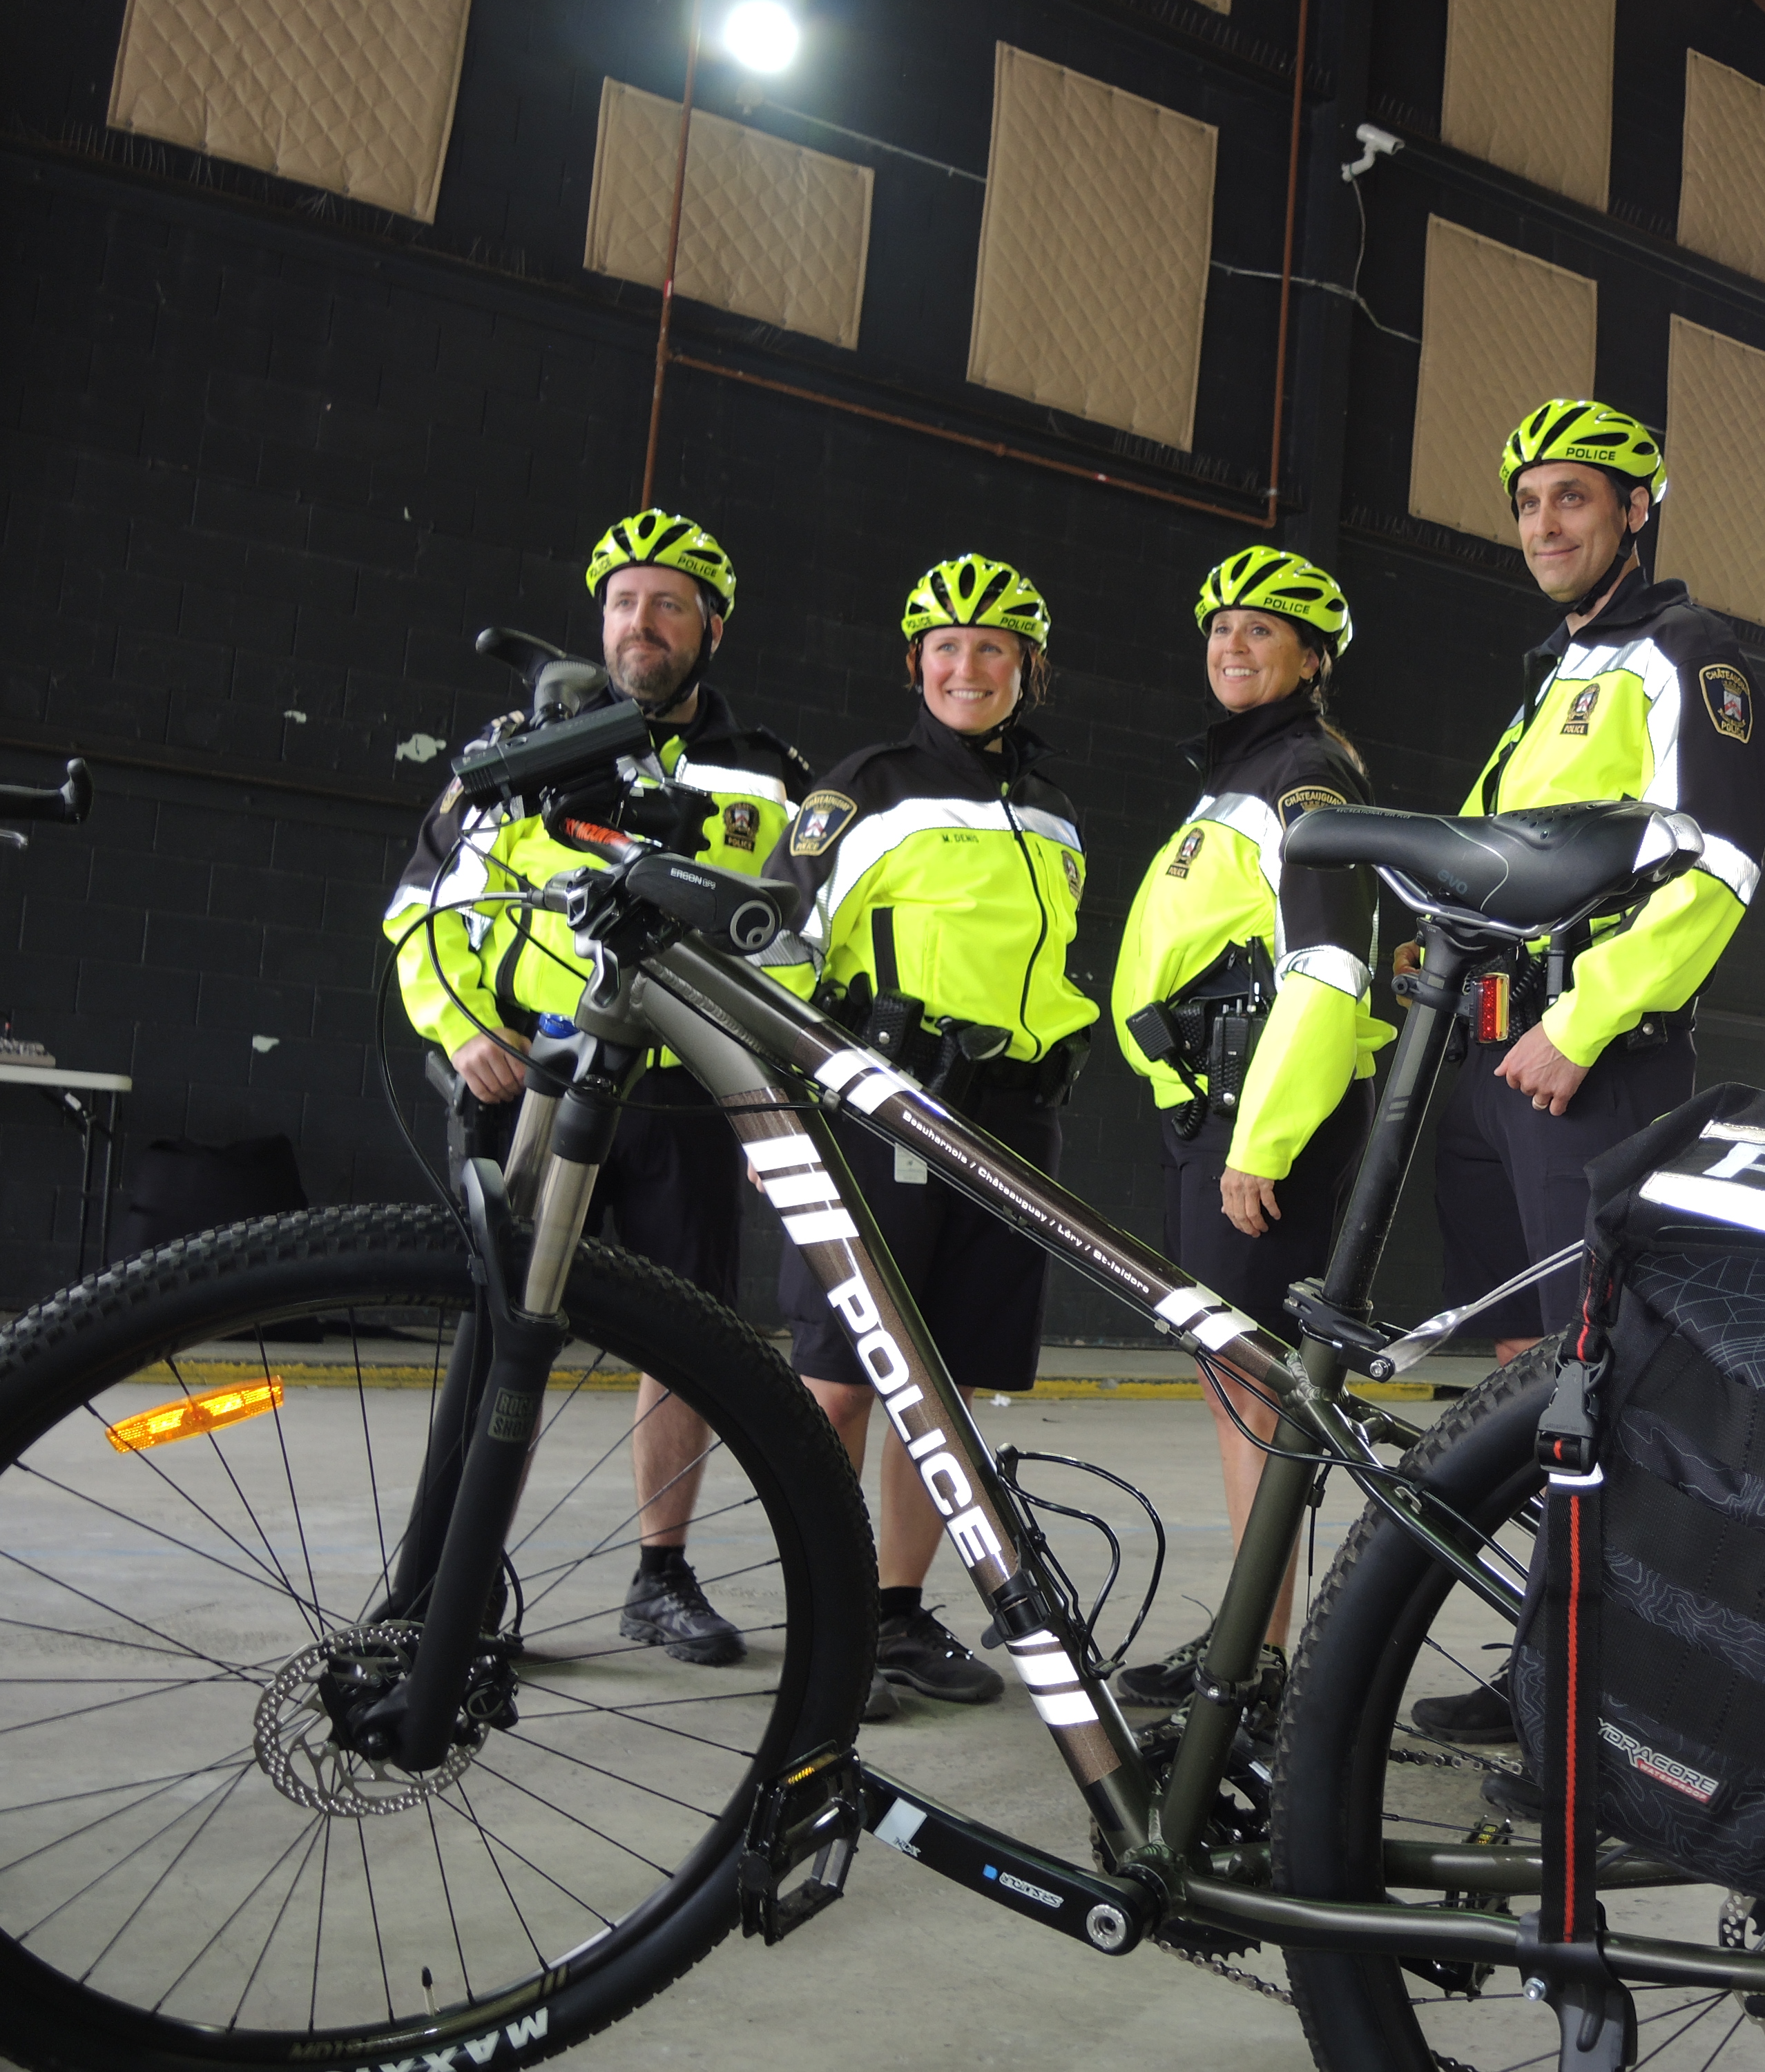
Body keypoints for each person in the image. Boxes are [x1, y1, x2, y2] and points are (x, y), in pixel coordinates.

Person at [1408, 400, 1765, 1743]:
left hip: (1588, 1064)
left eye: (1572, 498)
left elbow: (1720, 861)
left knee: (1588, 1380)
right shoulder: (1559, 674)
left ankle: (1596, 1690)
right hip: (1494, 1067)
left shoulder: (1685, 657)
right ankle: (1543, 1660)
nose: (1542, 525)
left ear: (1635, 511)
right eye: (1525, 503)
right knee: (1528, 1383)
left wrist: (1589, 1019)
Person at [384, 509, 814, 1667]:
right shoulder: (527, 741)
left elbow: (791, 943)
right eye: (625, 600)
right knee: (499, 1332)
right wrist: (467, 1026)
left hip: (680, 1097)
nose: (643, 622)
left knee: (686, 1340)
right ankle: (447, 1588)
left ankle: (661, 1581)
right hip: (531, 1075)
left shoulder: (767, 773)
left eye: (670, 602)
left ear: (711, 627)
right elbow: (421, 907)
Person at [766, 554, 1096, 1721]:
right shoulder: (862, 789)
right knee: (844, 1377)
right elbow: (772, 943)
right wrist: (837, 1058)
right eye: (946, 648)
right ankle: (824, 1620)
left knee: (940, 1385)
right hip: (887, 1114)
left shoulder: (1053, 809)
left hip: (1013, 1118)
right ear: (918, 665)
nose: (968, 666)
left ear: (1027, 672)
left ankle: (897, 1614)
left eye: (993, 648)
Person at [1106, 548, 1392, 1710]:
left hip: (1260, 1125)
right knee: (1239, 1383)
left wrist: (1260, 1142)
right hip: (1213, 1114)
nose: (1233, 643)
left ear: (1312, 659)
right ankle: (1254, 1645)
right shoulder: (1242, 774)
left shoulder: (1306, 776)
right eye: (1220, 627)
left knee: (1257, 1389)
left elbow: (1328, 969)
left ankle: (1262, 1664)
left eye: (1263, 631)